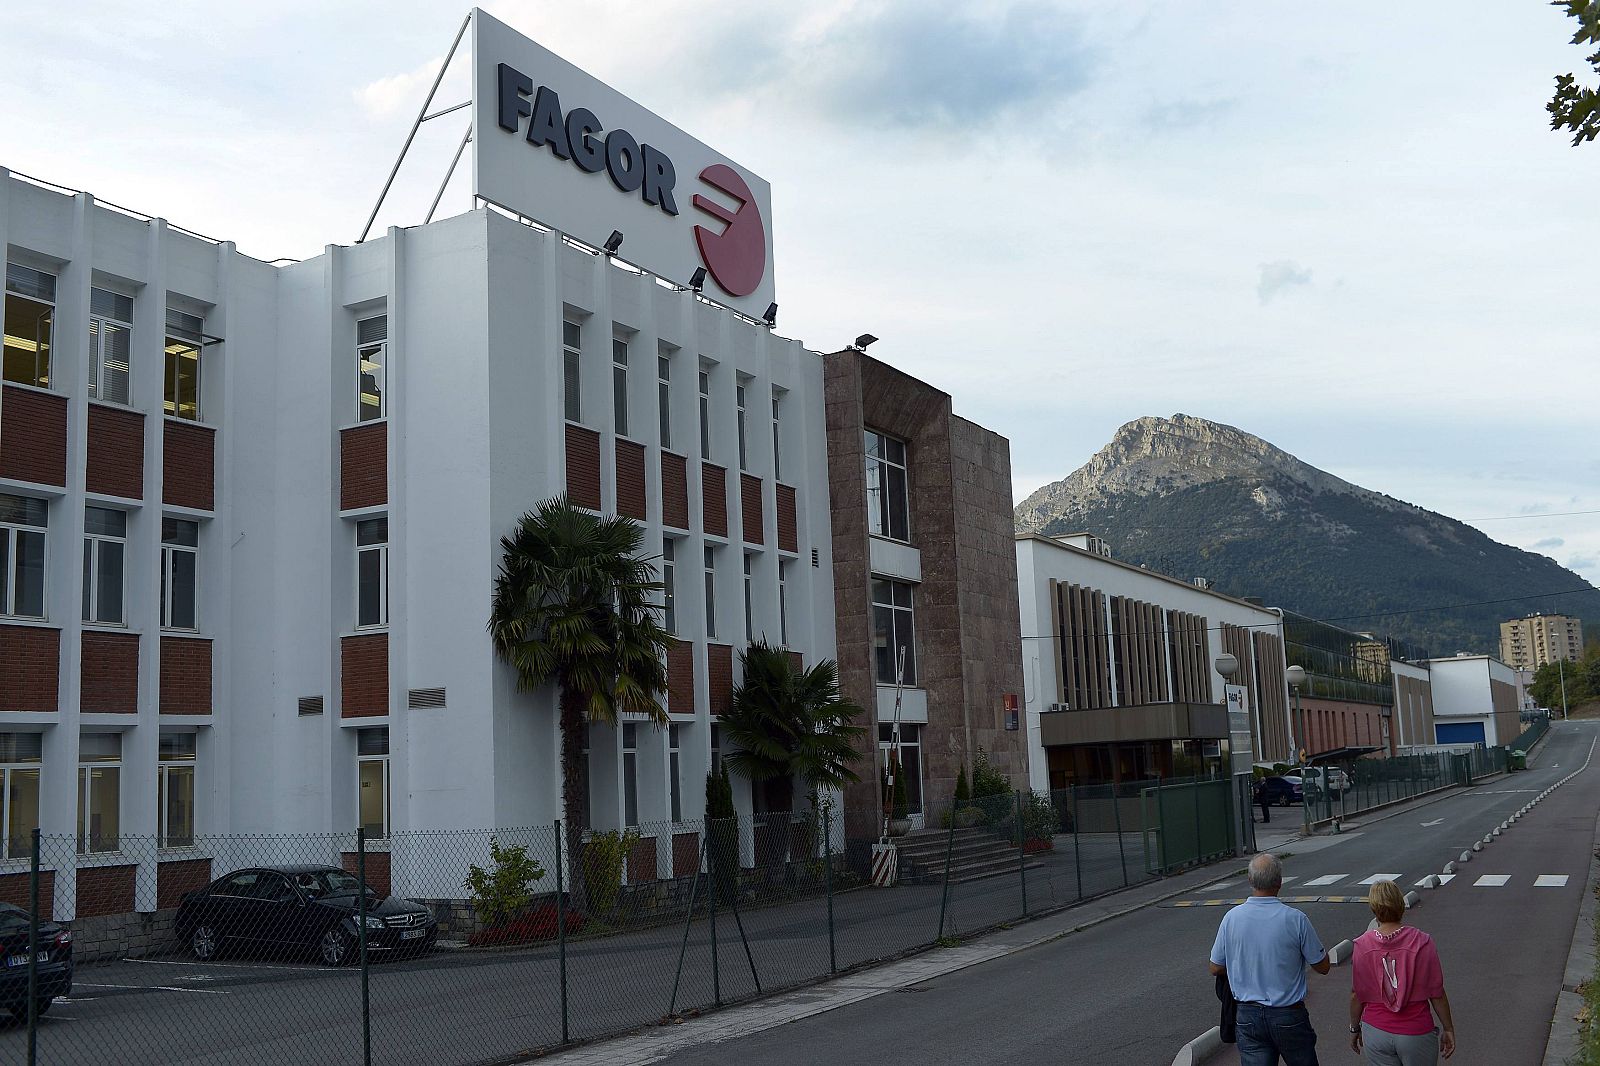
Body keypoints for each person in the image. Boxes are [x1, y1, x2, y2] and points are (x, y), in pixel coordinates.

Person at [1208, 852, 1330, 1065]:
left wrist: (1243, 965)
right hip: (1288, 1014)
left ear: (1250, 881)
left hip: (1247, 1014)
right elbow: (1323, 966)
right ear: (1280, 883)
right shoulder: (1296, 919)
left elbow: (1215, 967)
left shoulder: (1231, 918)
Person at [1349, 880, 1456, 1063]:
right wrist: (1448, 1028)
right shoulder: (1422, 942)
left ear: (1374, 908)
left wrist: (1354, 1028)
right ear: (1400, 904)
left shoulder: (1362, 945)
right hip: (1416, 1031)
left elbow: (1357, 995)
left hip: (1376, 1030)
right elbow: (1436, 992)